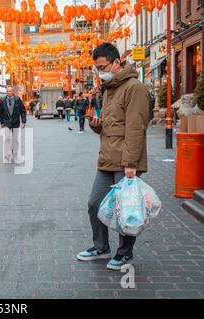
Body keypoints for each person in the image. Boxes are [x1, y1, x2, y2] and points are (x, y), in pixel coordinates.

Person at [76, 42, 150, 270]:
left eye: (102, 67)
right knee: (94, 204)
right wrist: (98, 126)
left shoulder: (134, 88)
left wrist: (131, 163)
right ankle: (101, 246)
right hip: (107, 158)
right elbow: (113, 125)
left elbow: (136, 128)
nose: (100, 73)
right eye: (97, 69)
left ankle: (125, 253)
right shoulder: (109, 89)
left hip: (125, 160)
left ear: (116, 62)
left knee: (125, 209)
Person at [0, 85, 26, 163]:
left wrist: (23, 121)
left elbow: (23, 110)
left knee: (15, 140)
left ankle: (15, 154)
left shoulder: (17, 99)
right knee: (7, 138)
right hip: (7, 122)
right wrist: (1, 122)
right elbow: (1, 112)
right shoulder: (3, 100)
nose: (9, 92)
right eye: (7, 91)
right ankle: (7, 154)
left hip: (15, 121)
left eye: (10, 91)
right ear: (6, 92)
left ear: (13, 91)